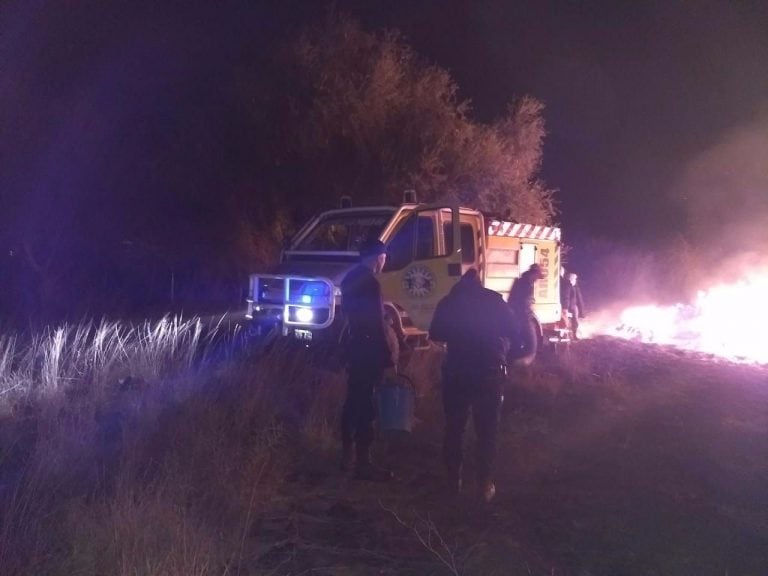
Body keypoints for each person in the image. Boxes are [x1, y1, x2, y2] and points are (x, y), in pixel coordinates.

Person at [429, 269, 517, 503]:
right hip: (489, 372)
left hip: (457, 372)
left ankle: (453, 481)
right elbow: (514, 330)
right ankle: (484, 485)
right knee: (487, 431)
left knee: (454, 429)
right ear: (479, 282)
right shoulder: (493, 300)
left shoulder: (448, 302)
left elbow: (435, 332)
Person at [339, 237, 395, 481]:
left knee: (353, 398)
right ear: (377, 257)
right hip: (370, 349)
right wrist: (388, 355)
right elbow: (374, 320)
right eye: (384, 257)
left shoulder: (349, 278)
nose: (385, 261)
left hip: (355, 345)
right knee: (367, 402)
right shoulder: (371, 283)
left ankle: (346, 454)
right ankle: (363, 461)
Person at [507, 263, 545, 361]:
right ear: (534, 274)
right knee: (532, 345)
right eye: (537, 277)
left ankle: (514, 364)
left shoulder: (521, 281)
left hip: (514, 316)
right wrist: (528, 317)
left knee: (517, 342)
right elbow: (523, 304)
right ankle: (520, 366)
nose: (537, 280)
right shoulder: (527, 285)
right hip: (523, 317)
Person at [563, 272, 586, 340]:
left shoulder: (574, 287)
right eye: (575, 279)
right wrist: (565, 308)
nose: (576, 280)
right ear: (571, 279)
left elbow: (579, 299)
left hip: (573, 307)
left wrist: (581, 311)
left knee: (574, 322)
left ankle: (573, 335)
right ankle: (571, 335)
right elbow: (566, 297)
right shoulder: (568, 286)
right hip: (570, 307)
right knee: (571, 321)